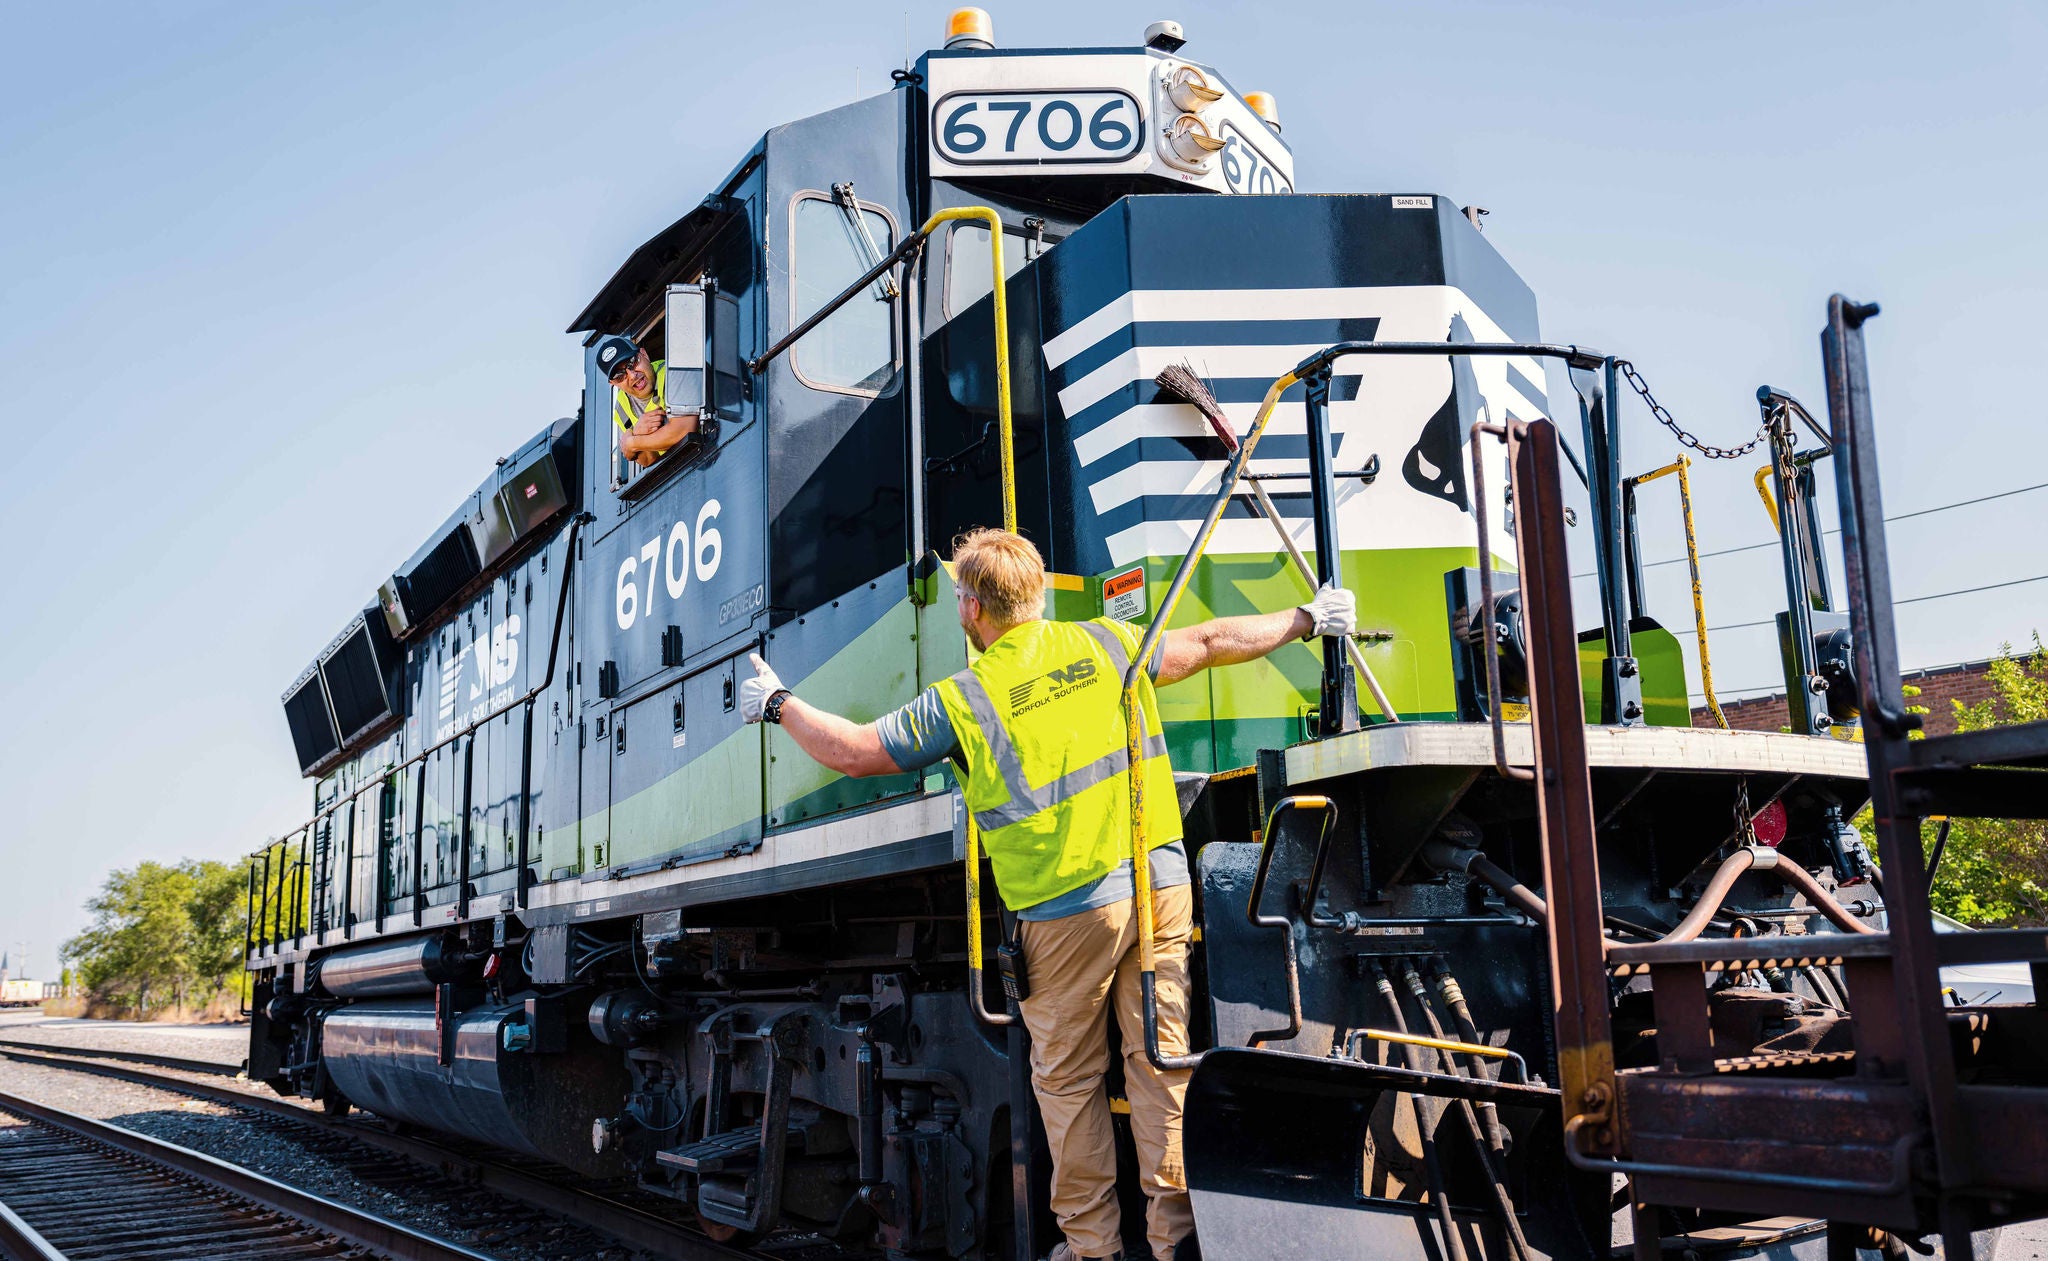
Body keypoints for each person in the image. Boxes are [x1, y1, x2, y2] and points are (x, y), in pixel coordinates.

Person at [738, 527, 1356, 1261]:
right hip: (1159, 885)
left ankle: (1095, 1250)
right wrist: (1307, 619)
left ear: (970, 607)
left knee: (1068, 1086)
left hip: (1069, 913)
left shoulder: (964, 699)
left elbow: (855, 750)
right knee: (1161, 1062)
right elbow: (1214, 638)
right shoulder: (1106, 642)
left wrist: (776, 702)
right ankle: (1175, 1241)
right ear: (1034, 594)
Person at [595, 335, 696, 468]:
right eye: (619, 375)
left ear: (644, 354)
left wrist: (633, 443)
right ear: (613, 383)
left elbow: (684, 430)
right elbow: (648, 461)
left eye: (632, 362)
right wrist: (637, 432)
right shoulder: (622, 409)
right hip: (678, 472)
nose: (632, 375)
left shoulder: (674, 372)